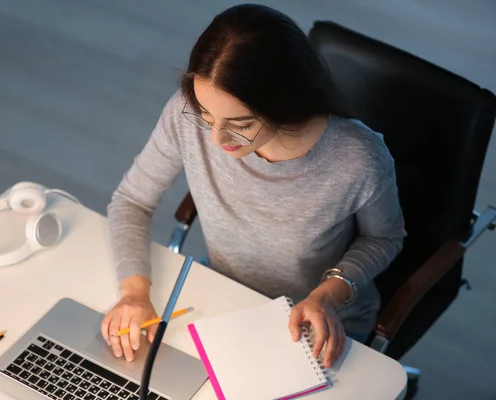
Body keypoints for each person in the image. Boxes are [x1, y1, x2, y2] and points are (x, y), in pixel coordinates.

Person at [101, 3, 406, 369]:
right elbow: (132, 200)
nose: (214, 139)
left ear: (283, 102)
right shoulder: (188, 116)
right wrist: (134, 293)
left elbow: (384, 238)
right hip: (227, 297)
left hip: (320, 319)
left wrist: (326, 295)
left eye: (239, 123)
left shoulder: (358, 158)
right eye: (205, 115)